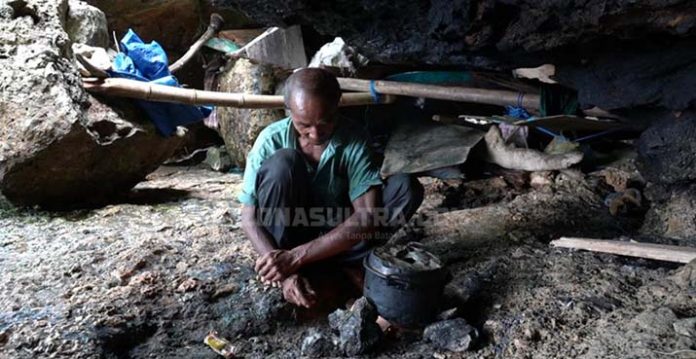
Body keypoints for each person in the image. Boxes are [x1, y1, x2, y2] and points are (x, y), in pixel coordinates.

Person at [239, 68, 423, 308]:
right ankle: (304, 262)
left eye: (325, 121)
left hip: (338, 234)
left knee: (405, 188)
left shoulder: (354, 138)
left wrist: (296, 258)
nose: (315, 133)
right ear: (289, 111)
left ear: (338, 105)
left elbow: (366, 218)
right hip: (289, 236)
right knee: (283, 163)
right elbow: (248, 217)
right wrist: (282, 270)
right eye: (304, 124)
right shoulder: (270, 140)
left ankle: (340, 262)